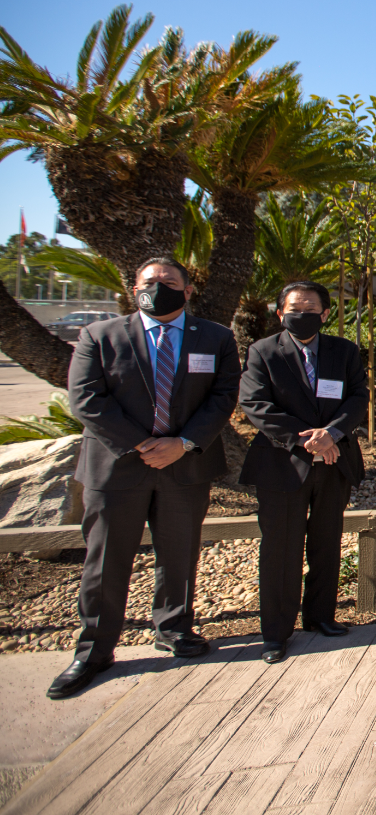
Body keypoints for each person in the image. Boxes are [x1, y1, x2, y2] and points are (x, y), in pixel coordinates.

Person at [49, 257, 240, 699]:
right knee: (105, 560)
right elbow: (86, 400)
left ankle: (173, 628)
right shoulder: (100, 336)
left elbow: (222, 395)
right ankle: (94, 649)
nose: (158, 287)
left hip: (185, 465)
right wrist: (142, 445)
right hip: (117, 468)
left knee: (179, 554)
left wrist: (183, 443)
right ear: (134, 288)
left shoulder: (215, 338)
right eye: (149, 282)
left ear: (188, 291)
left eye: (169, 282)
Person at [239, 281, 368, 664]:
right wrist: (306, 440)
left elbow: (358, 397)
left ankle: (320, 617)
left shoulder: (343, 352)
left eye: (311, 307)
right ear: (280, 313)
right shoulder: (262, 351)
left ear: (325, 314)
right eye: (294, 307)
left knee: (326, 544)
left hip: (334, 463)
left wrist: (332, 434)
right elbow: (255, 403)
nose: (302, 313)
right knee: (281, 549)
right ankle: (276, 632)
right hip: (282, 465)